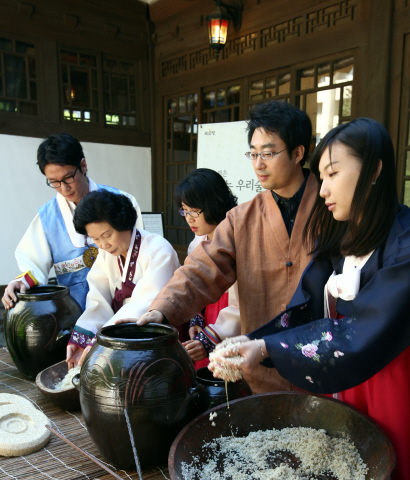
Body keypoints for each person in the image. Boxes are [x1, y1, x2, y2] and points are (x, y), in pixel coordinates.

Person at [219, 117, 410, 480]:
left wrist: (269, 348)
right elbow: (306, 304)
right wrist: (255, 341)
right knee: (355, 459)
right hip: (357, 368)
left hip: (401, 375)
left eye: (333, 174)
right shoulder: (345, 235)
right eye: (321, 177)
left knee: (395, 468)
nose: (323, 190)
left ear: (373, 171)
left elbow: (362, 333)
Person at [118, 100, 318, 393]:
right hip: (260, 368)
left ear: (298, 153)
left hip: (318, 366)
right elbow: (201, 268)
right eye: (253, 153)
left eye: (268, 153)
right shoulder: (241, 219)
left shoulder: (331, 210)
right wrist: (163, 309)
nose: (258, 164)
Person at [1, 133, 143, 312]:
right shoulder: (48, 218)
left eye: (68, 178)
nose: (64, 188)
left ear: (83, 165)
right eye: (54, 182)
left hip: (124, 308)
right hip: (73, 313)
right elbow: (33, 263)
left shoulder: (121, 201)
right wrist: (19, 282)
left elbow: (141, 255)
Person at [65, 190, 179, 368]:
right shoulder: (106, 254)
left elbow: (146, 304)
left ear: (123, 223)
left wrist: (98, 342)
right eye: (95, 239)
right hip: (121, 341)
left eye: (107, 235)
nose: (103, 245)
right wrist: (82, 338)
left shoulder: (158, 249)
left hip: (155, 342)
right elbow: (97, 297)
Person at [176, 169, 240, 369]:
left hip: (232, 322)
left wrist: (211, 337)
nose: (189, 218)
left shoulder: (239, 240)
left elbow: (244, 305)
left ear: (213, 204)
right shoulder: (197, 243)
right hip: (210, 319)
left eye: (194, 211)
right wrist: (197, 317)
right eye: (184, 211)